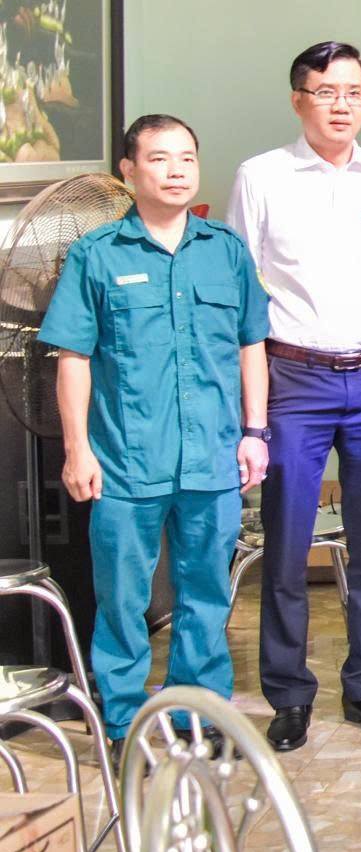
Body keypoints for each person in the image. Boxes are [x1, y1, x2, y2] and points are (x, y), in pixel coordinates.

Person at [41, 115, 270, 746]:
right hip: (125, 461)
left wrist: (256, 431)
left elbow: (252, 343)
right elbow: (73, 357)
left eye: (187, 158)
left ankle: (200, 716)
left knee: (206, 596)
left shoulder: (225, 250)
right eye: (160, 158)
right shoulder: (96, 254)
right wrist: (78, 449)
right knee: (122, 600)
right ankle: (124, 724)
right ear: (128, 171)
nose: (176, 171)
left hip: (213, 458)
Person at [226, 42, 361, 752]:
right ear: (298, 99)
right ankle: (288, 694)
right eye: (326, 91)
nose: (342, 105)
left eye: (353, 92)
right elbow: (242, 289)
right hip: (295, 379)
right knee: (285, 543)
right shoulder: (262, 176)